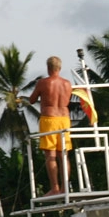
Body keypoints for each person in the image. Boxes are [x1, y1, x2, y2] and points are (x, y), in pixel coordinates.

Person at [26, 55, 73, 196]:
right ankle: (65, 187)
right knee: (63, 155)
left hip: (50, 118)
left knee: (50, 155)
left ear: (48, 68)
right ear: (60, 68)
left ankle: (55, 188)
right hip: (64, 119)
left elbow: (32, 100)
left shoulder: (43, 82)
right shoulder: (67, 83)